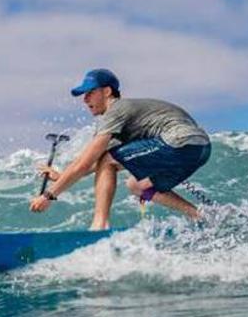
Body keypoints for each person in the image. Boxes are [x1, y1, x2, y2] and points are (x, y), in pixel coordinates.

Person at [29, 68, 211, 229]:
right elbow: (98, 163)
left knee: (108, 159)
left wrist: (48, 195)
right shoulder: (120, 120)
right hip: (199, 149)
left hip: (179, 140)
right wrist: (62, 177)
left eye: (90, 92)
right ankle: (198, 215)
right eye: (84, 95)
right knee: (137, 185)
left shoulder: (116, 110)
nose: (85, 99)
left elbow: (86, 162)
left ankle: (100, 224)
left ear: (107, 91)